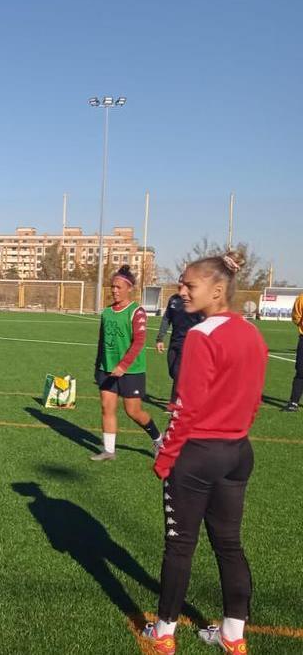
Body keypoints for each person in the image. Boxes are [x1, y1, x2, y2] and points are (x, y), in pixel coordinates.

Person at [141, 252, 267, 655]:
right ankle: (233, 635)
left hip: (198, 456)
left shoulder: (200, 335)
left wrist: (164, 459)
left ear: (217, 290)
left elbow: (186, 408)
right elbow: (252, 402)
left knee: (180, 545)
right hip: (237, 453)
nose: (180, 293)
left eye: (188, 285)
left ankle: (163, 632)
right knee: (229, 544)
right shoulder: (253, 335)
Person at [91, 265, 162, 461]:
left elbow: (139, 342)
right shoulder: (106, 312)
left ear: (129, 288)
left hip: (131, 371)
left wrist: (123, 366)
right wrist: (98, 366)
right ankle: (109, 451)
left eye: (118, 287)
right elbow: (101, 341)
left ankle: (158, 439)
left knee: (133, 411)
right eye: (112, 287)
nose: (114, 290)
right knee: (107, 407)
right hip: (106, 369)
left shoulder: (136, 312)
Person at [155, 277, 204, 406]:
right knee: (173, 371)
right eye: (180, 284)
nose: (181, 287)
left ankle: (173, 403)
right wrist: (160, 338)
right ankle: (187, 392)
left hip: (190, 342)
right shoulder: (173, 299)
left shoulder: (196, 301)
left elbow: (204, 321)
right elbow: (166, 319)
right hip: (174, 340)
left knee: (178, 371)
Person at [284, 291, 302, 412]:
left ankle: (293, 403)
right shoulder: (301, 299)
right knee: (301, 372)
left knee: (301, 372)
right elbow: (296, 317)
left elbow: (296, 318)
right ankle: (294, 402)